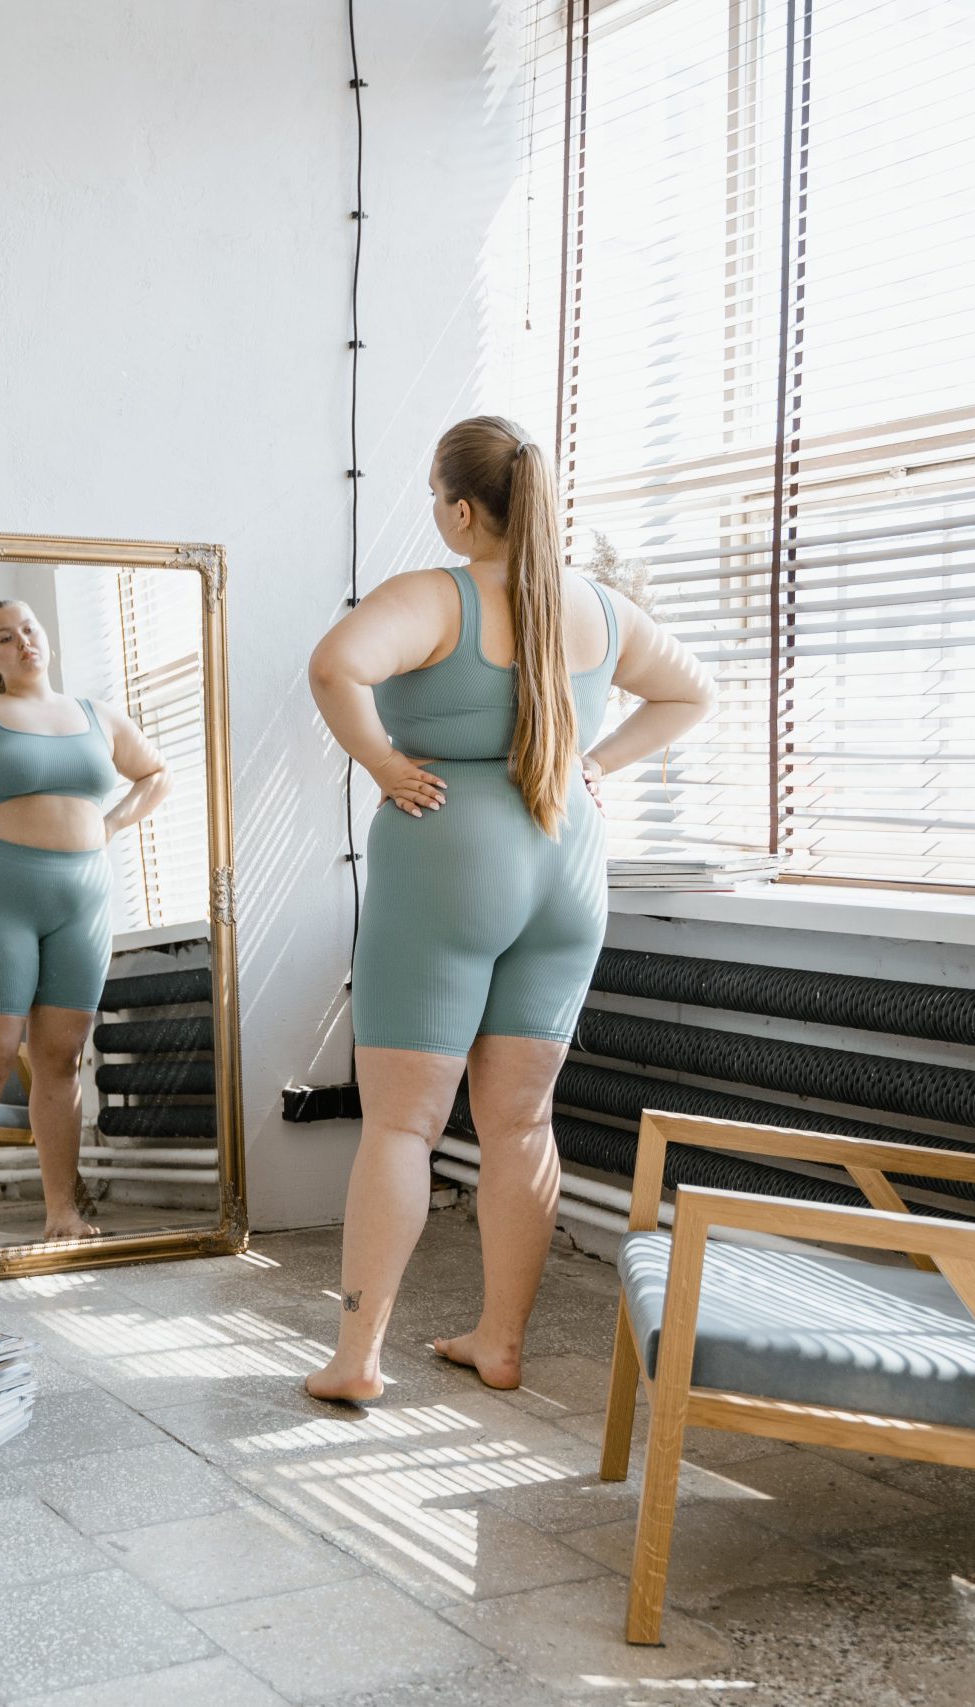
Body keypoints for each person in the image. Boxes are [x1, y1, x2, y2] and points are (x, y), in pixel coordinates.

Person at [303, 415, 713, 1401]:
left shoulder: (432, 596)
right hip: (566, 859)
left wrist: (387, 764)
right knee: (521, 1123)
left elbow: (333, 667)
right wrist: (593, 765)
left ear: (456, 508)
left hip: (451, 862)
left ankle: (356, 1361)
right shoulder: (598, 608)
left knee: (403, 1127)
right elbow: (690, 693)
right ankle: (500, 1343)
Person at [0, 599, 171, 1242]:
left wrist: (109, 824)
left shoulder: (98, 716)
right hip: (4, 892)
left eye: (29, 628)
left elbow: (157, 774)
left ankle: (62, 1210)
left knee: (60, 1057)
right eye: (5, 636)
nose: (22, 640)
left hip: (83, 897)